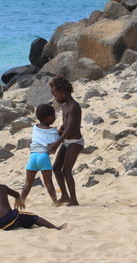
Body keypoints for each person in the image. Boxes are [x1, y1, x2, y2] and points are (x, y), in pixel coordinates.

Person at [0, 162, 67, 230]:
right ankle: (56, 228)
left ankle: (21, 224)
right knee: (33, 217)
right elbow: (17, 194)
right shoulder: (3, 187)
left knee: (22, 220)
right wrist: (18, 199)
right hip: (9, 219)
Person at [48, 76, 83, 206]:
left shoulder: (74, 107)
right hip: (67, 140)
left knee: (66, 170)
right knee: (56, 168)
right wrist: (58, 131)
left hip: (75, 142)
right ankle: (64, 195)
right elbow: (65, 126)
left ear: (63, 93)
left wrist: (57, 143)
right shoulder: (64, 106)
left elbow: (69, 130)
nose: (54, 97)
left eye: (55, 94)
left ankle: (74, 200)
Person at [20, 104, 60, 206]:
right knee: (48, 182)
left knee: (28, 183)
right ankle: (55, 201)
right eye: (54, 116)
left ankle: (21, 200)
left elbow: (44, 134)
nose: (55, 118)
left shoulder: (35, 128)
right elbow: (54, 142)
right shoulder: (53, 131)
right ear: (50, 117)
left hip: (33, 157)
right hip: (43, 157)